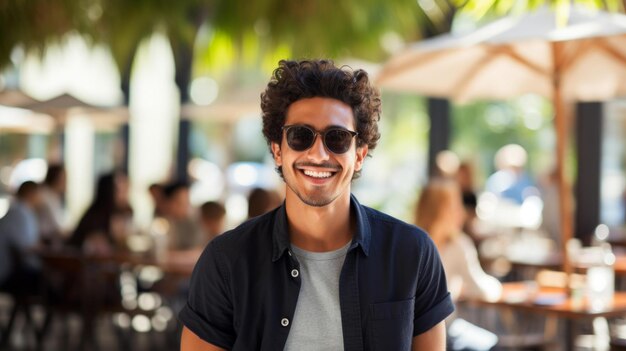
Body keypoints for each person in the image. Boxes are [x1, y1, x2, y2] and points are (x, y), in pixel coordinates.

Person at [180, 59, 454, 350]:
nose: (319, 154)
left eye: (337, 138)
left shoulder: (412, 254)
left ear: (359, 154)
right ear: (277, 150)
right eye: (301, 136)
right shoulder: (226, 262)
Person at [415, 178, 502, 302]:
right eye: (455, 207)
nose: (462, 213)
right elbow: (482, 289)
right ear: (438, 211)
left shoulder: (408, 241)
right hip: (444, 321)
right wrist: (497, 287)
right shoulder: (458, 245)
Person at [67, 171, 133, 254]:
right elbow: (101, 252)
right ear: (109, 191)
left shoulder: (116, 212)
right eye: (120, 189)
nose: (125, 193)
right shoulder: (96, 216)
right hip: (81, 263)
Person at [0, 181, 43, 292]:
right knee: (49, 280)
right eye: (39, 194)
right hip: (9, 273)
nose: (41, 198)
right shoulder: (21, 213)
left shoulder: (19, 211)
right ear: (30, 193)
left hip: (10, 270)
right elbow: (25, 247)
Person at [162, 182, 204, 250]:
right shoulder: (164, 222)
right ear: (169, 203)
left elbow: (198, 251)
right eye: (180, 203)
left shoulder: (195, 223)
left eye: (187, 202)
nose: (186, 206)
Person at [37, 163, 67, 246]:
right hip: (46, 242)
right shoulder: (46, 197)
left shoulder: (54, 196)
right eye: (64, 178)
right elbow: (57, 228)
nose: (66, 182)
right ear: (56, 179)